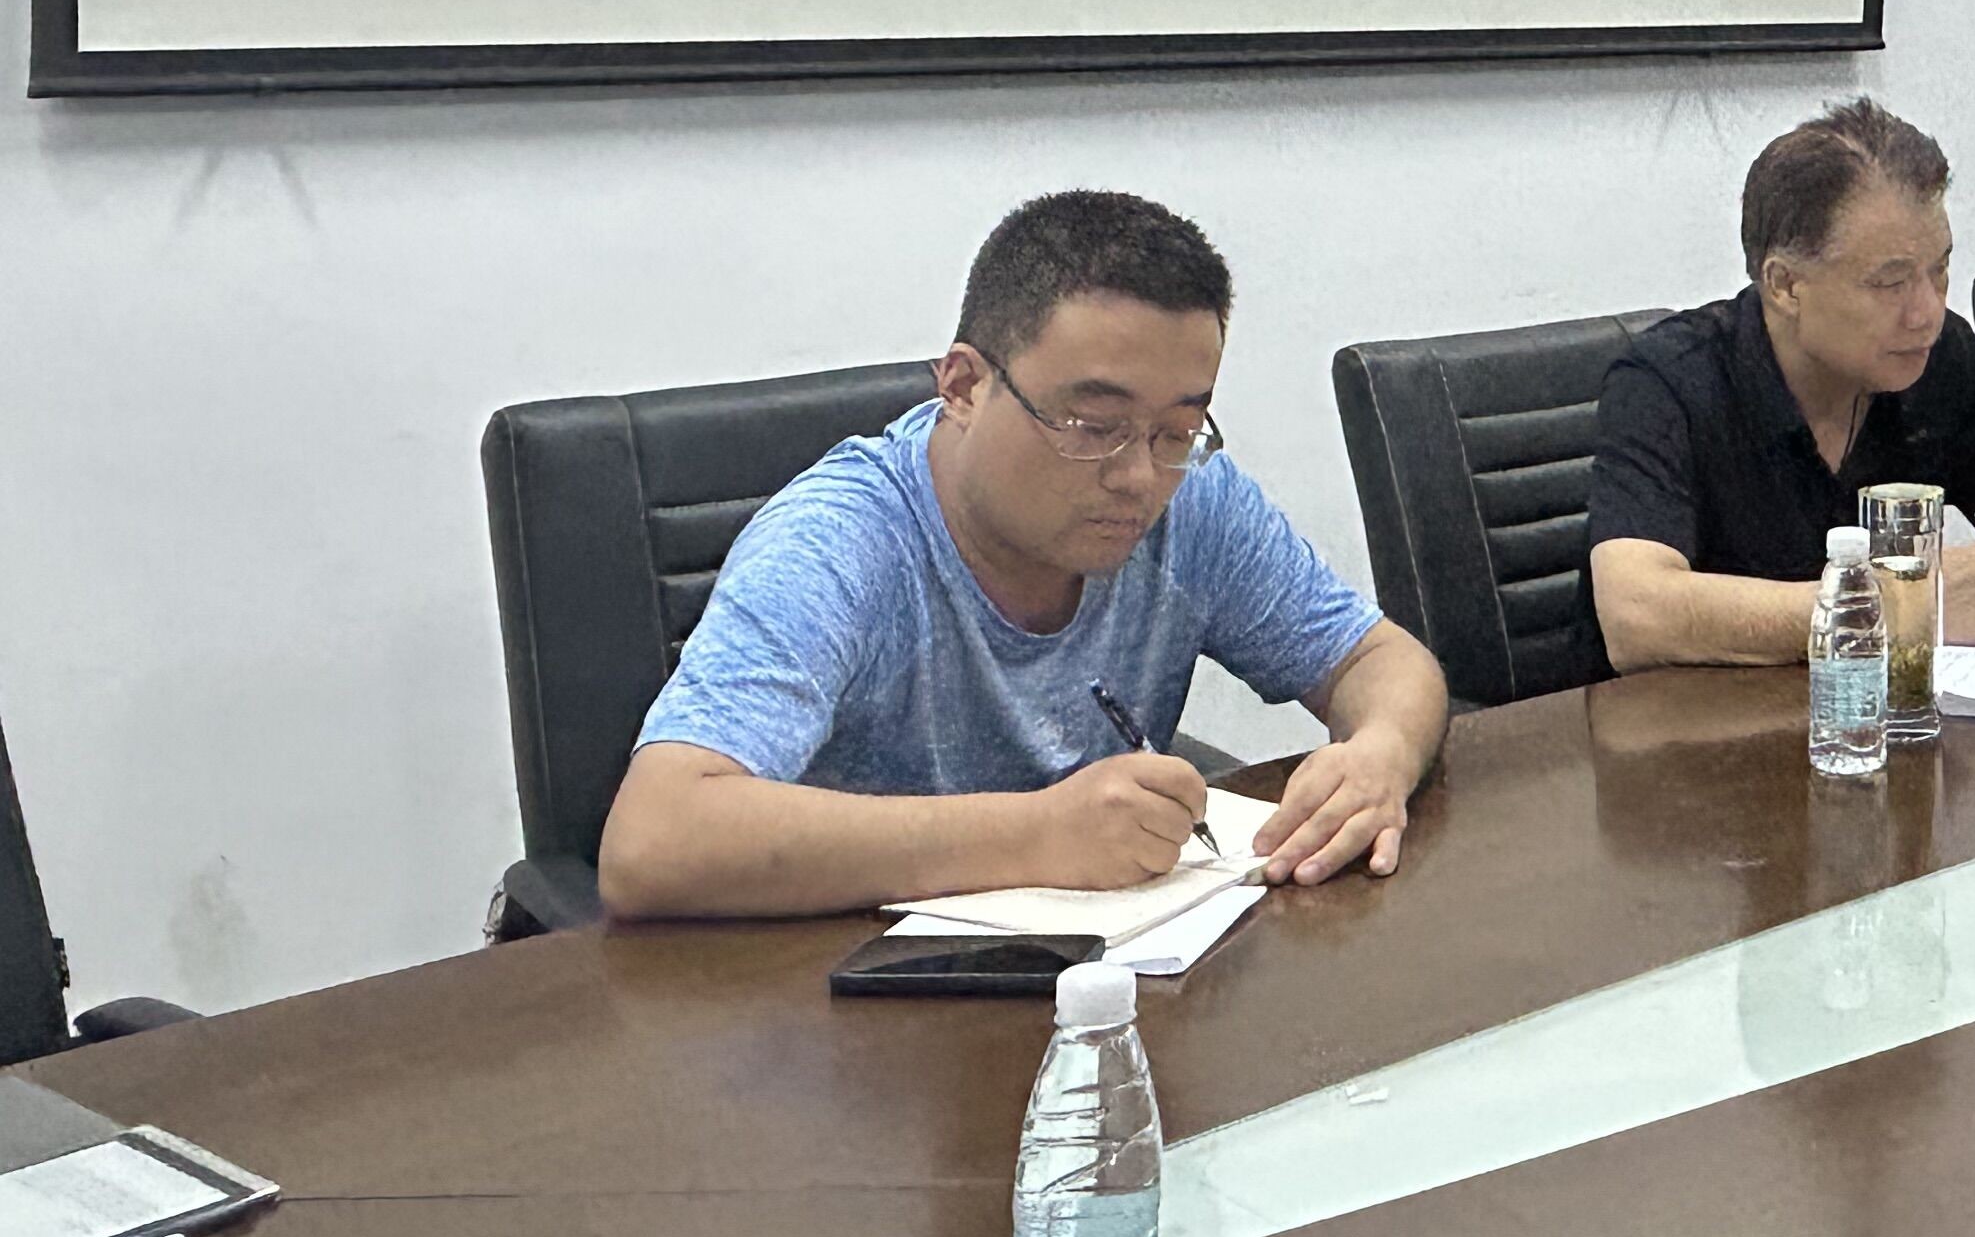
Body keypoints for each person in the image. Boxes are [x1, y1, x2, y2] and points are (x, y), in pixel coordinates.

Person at [599, 191, 1448, 919]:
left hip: (1112, 983)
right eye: (1093, 425)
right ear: (965, 387)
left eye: (1177, 429)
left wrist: (1380, 755)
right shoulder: (838, 542)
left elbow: (1379, 661)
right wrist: (1037, 834)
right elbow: (654, 840)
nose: (1137, 476)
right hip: (844, 993)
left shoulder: (1191, 498)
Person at [1588, 99, 1975, 668]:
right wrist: (1903, 605)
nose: (1927, 312)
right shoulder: (1669, 379)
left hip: (1882, 708)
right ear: (1786, 285)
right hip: (1690, 717)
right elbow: (1636, 613)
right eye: (1890, 282)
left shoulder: (1938, 357)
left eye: (1939, 269)